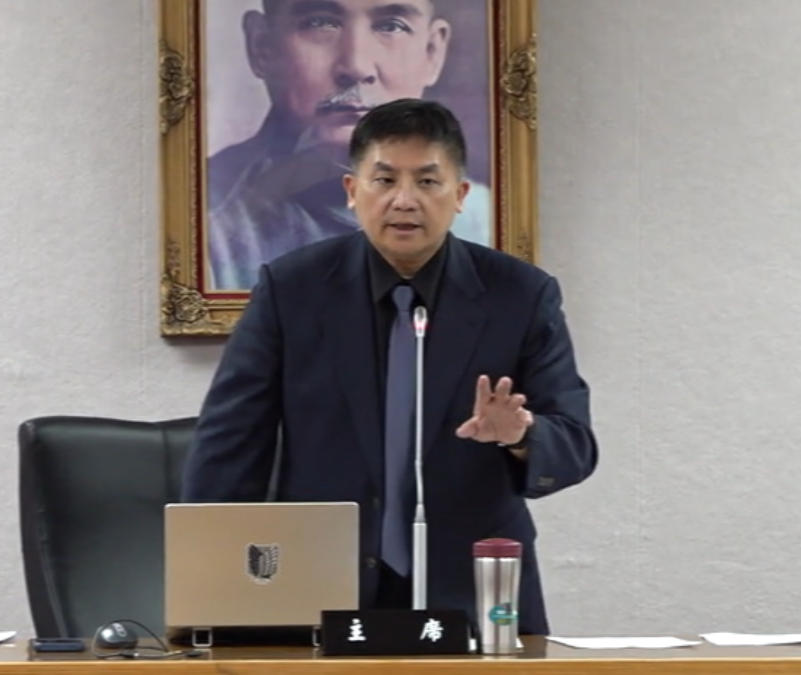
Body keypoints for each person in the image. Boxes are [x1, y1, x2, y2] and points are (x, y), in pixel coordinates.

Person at [181, 98, 599, 635]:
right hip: (319, 585)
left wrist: (522, 433)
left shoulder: (520, 296)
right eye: (384, 180)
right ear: (352, 191)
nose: (404, 200)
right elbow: (229, 445)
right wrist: (206, 595)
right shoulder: (293, 290)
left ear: (460, 196)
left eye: (427, 182)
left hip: (474, 593)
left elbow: (574, 447)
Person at [205, 0, 493, 290]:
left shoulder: (485, 221)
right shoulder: (204, 219)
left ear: (432, 52)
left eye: (391, 26)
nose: (356, 66)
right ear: (262, 47)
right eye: (319, 23)